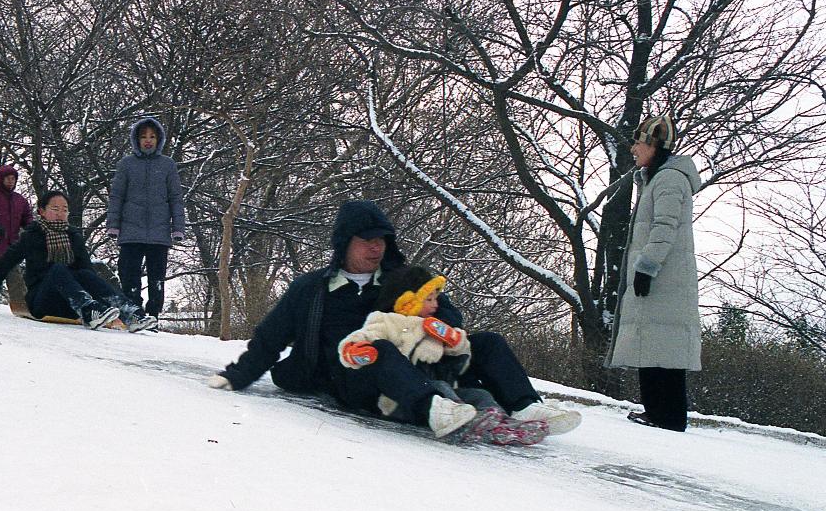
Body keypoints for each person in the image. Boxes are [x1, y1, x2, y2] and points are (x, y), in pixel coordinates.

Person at [207, 200, 581, 440]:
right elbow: (269, 339)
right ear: (344, 244)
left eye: (382, 240)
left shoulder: (403, 279)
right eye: (366, 240)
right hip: (354, 377)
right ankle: (435, 409)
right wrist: (236, 376)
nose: (376, 248)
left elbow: (448, 316)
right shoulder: (313, 289)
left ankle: (525, 405)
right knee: (380, 349)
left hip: (420, 365)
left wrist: (435, 324)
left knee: (489, 341)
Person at [337, 265, 555, 444]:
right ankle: (458, 418)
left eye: (435, 298)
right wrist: (355, 350)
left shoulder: (433, 325)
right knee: (436, 386)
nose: (436, 304)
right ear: (408, 301)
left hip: (448, 391)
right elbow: (361, 337)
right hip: (406, 399)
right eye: (429, 299)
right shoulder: (385, 321)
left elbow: (462, 354)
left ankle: (507, 419)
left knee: (481, 392)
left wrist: (452, 339)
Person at [606, 115, 702, 431]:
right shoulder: (656, 178)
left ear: (654, 145)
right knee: (653, 345)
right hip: (661, 276)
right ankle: (658, 413)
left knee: (662, 348)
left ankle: (668, 417)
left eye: (638, 142)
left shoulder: (669, 179)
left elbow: (665, 227)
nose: (633, 148)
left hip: (664, 277)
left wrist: (646, 267)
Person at [0, 190, 158, 332]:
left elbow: (89, 275)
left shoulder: (73, 237)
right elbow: (3, 264)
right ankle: (88, 309)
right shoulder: (32, 236)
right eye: (55, 209)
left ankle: (129, 312)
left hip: (70, 305)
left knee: (84, 273)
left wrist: (109, 312)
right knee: (57, 269)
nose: (60, 213)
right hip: (42, 300)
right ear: (42, 211)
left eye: (64, 210)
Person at [107, 116, 184, 317]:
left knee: (156, 279)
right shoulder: (126, 164)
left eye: (152, 136)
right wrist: (113, 225)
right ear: (136, 140)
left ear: (159, 140)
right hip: (131, 232)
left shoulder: (168, 165)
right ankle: (133, 312)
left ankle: (153, 315)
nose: (148, 140)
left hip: (159, 234)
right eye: (143, 136)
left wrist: (178, 228)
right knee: (129, 275)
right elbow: (117, 196)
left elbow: (176, 197)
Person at [0, 163, 34, 314]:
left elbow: (27, 219)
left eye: (13, 178)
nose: (11, 181)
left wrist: (33, 232)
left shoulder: (20, 200)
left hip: (11, 247)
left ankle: (21, 306)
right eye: (8, 178)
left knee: (16, 279)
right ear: (1, 179)